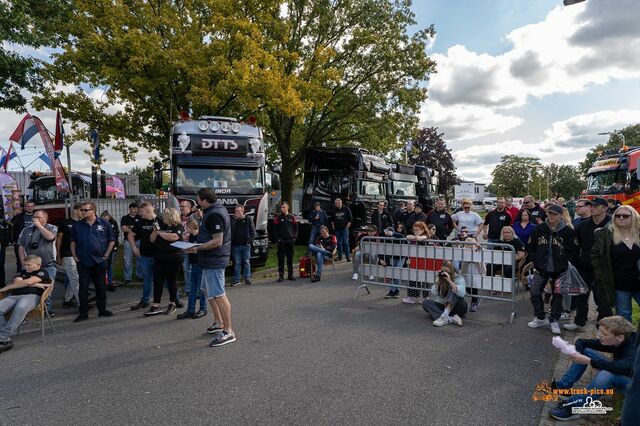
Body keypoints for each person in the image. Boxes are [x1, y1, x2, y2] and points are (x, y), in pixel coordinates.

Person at [549, 316, 637, 421]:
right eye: (599, 332)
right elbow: (582, 342)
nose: (599, 336)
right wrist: (576, 352)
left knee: (606, 375)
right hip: (623, 371)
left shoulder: (633, 348)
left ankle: (573, 408)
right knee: (586, 350)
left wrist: (589, 361)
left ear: (620, 337)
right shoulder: (618, 339)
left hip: (634, 385)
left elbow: (622, 367)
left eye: (604, 334)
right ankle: (562, 387)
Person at [189, 188, 235, 347]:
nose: (196, 203)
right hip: (209, 260)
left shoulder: (214, 214)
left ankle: (229, 332)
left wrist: (197, 248)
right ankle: (219, 322)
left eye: (198, 200)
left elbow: (217, 241)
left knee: (219, 294)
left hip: (214, 260)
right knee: (207, 291)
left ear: (204, 200)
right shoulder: (214, 210)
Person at [526, 204, 578, 334]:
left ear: (561, 215)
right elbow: (530, 246)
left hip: (560, 269)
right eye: (549, 213)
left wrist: (566, 261)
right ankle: (539, 317)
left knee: (558, 295)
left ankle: (554, 320)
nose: (552, 216)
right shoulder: (539, 229)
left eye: (555, 214)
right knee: (534, 291)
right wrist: (535, 260)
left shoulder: (568, 231)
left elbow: (574, 250)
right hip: (541, 268)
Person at [565, 197, 612, 331]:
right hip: (584, 267)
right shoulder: (583, 225)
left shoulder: (612, 224)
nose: (592, 207)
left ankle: (603, 327)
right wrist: (576, 260)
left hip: (604, 269)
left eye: (596, 206)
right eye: (591, 205)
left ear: (604, 208)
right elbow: (575, 244)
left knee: (603, 300)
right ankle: (579, 322)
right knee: (581, 296)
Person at [592, 205, 640, 323]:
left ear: (633, 217)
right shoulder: (605, 234)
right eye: (618, 216)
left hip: (638, 281)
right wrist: (600, 275)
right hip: (619, 284)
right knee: (623, 317)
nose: (621, 218)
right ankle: (626, 341)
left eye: (625, 216)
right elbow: (595, 255)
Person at [71, 201, 115, 322]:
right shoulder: (77, 225)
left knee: (101, 286)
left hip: (99, 261)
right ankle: (83, 312)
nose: (82, 212)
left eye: (85, 210)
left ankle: (102, 309)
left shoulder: (104, 223)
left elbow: (112, 240)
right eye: (82, 210)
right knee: (83, 287)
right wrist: (74, 256)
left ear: (93, 211)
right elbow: (73, 241)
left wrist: (106, 255)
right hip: (83, 260)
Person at [0, 254, 52, 353]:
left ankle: (2, 336)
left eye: (29, 265)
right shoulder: (21, 272)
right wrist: (37, 284)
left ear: (37, 265)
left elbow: (26, 283)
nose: (26, 267)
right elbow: (17, 282)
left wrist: (11, 287)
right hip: (13, 296)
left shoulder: (42, 272)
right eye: (25, 264)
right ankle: (4, 339)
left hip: (31, 296)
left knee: (20, 308)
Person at [143, 207, 184, 316]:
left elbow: (174, 237)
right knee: (158, 281)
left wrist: (160, 233)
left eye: (165, 215)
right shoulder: (160, 224)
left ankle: (172, 303)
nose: (163, 217)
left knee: (171, 281)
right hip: (159, 257)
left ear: (170, 216)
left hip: (174, 258)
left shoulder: (178, 226)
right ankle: (156, 305)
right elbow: (152, 239)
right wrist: (156, 231)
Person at [18, 209, 57, 315]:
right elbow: (21, 247)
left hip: (47, 264)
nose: (34, 219)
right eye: (34, 217)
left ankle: (47, 310)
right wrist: (23, 263)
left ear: (45, 218)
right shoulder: (26, 230)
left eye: (38, 217)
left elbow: (50, 237)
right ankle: (31, 310)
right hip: (30, 266)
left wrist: (40, 226)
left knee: (46, 288)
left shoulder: (51, 227)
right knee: (30, 288)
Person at [128, 202, 160, 310]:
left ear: (148, 211)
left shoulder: (160, 220)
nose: (139, 213)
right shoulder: (140, 222)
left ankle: (174, 300)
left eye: (141, 212)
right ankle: (145, 300)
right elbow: (130, 235)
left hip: (159, 255)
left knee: (164, 278)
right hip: (145, 255)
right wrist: (134, 248)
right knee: (147, 279)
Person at [177, 220, 208, 320]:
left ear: (191, 227)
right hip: (193, 264)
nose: (186, 229)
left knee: (201, 288)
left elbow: (200, 249)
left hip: (200, 264)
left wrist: (190, 250)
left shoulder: (200, 236)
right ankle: (190, 310)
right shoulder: (191, 237)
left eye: (187, 228)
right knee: (192, 289)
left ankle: (203, 308)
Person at [422, 260, 467, 327]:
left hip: (458, 307)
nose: (445, 273)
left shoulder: (459, 278)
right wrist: (437, 281)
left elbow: (462, 293)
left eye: (447, 271)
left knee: (454, 289)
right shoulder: (441, 278)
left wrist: (449, 281)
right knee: (425, 303)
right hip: (444, 305)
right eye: (444, 271)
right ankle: (450, 318)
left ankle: (444, 316)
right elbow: (434, 293)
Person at [56, 202, 82, 308]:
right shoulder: (64, 223)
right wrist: (58, 255)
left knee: (76, 277)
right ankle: (82, 302)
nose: (83, 212)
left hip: (80, 254)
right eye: (82, 210)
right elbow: (59, 239)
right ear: (75, 210)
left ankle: (68, 299)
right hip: (68, 254)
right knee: (75, 278)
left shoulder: (83, 223)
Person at [402, 221, 430, 304]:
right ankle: (412, 297)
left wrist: (415, 237)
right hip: (414, 261)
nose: (416, 232)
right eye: (414, 230)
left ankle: (425, 297)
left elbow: (419, 238)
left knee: (424, 279)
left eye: (418, 230)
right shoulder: (413, 236)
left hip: (423, 261)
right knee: (413, 278)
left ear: (423, 230)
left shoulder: (426, 236)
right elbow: (407, 236)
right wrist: (413, 236)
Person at [230, 204, 255, 286]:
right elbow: (230, 230)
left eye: (238, 211)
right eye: (235, 211)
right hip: (235, 245)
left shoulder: (248, 219)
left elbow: (252, 231)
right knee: (237, 263)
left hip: (246, 245)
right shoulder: (233, 220)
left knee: (246, 262)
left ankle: (247, 278)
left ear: (243, 211)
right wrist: (235, 220)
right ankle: (237, 279)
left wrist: (250, 241)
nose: (236, 213)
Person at [273, 201, 298, 282]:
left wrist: (294, 238)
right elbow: (274, 230)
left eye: (283, 207)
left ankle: (290, 274)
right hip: (281, 241)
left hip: (290, 241)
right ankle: (281, 275)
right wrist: (278, 239)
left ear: (288, 207)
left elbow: (296, 229)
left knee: (290, 259)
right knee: (281, 259)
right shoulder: (278, 217)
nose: (282, 209)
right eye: (281, 207)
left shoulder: (292, 217)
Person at [379, 226, 406, 299]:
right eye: (386, 231)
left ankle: (393, 290)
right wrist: (381, 259)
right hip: (392, 257)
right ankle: (395, 291)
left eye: (388, 231)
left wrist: (393, 234)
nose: (387, 233)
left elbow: (402, 236)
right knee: (393, 273)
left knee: (396, 273)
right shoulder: (385, 239)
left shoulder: (397, 236)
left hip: (401, 257)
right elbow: (382, 249)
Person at [461, 237, 484, 312]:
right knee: (467, 287)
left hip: (476, 271)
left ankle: (474, 303)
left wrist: (479, 247)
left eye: (472, 244)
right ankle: (475, 298)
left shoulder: (478, 250)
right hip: (467, 271)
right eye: (468, 244)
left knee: (474, 288)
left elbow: (482, 251)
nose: (470, 246)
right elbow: (458, 252)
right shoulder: (464, 250)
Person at [11, 200, 35, 273]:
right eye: (28, 206)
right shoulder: (18, 217)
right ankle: (20, 275)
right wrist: (13, 241)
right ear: (24, 207)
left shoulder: (38, 216)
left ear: (34, 207)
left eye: (31, 206)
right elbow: (11, 229)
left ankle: (33, 276)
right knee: (20, 260)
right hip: (21, 242)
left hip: (34, 241)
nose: (30, 208)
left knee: (34, 260)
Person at [120, 202, 141, 285]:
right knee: (128, 259)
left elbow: (140, 228)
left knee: (140, 258)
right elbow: (124, 228)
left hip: (138, 240)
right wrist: (133, 230)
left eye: (136, 209)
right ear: (130, 209)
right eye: (134, 209)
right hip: (128, 241)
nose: (135, 210)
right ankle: (127, 277)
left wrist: (130, 228)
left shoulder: (140, 218)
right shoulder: (125, 218)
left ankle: (140, 275)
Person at [100, 211, 119, 292]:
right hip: (103, 248)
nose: (105, 220)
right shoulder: (99, 224)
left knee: (110, 266)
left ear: (109, 217)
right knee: (102, 266)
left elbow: (115, 235)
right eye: (103, 219)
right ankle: (103, 282)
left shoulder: (113, 223)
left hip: (112, 248)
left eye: (106, 218)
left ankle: (110, 282)